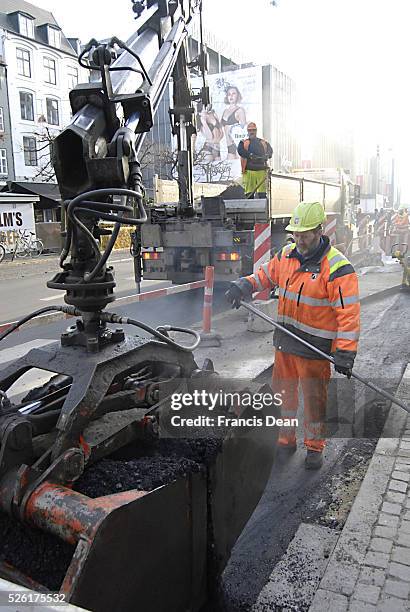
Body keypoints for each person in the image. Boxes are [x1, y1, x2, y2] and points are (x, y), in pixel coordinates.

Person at [225, 201, 360, 469]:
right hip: (286, 343)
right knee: (283, 396)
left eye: (305, 234)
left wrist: (346, 351)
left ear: (319, 230)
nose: (300, 240)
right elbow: (265, 276)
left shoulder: (337, 268)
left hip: (315, 349)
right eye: (296, 234)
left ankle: (314, 447)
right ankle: (285, 439)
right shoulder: (286, 255)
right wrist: (245, 285)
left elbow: (348, 315)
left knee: (314, 400)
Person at [237, 122, 273, 199]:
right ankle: (250, 210)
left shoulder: (263, 142)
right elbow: (240, 151)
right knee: (249, 194)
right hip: (249, 171)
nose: (252, 132)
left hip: (261, 170)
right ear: (247, 131)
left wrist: (267, 155)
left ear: (256, 131)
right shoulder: (243, 142)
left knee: (262, 194)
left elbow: (270, 150)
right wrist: (249, 155)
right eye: (250, 130)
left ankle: (264, 210)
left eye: (253, 130)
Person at [221, 85, 247, 160]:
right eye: (229, 94)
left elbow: (243, 131)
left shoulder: (240, 110)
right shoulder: (225, 111)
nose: (231, 96)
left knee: (239, 169)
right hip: (228, 147)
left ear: (237, 95)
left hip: (237, 146)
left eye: (233, 94)